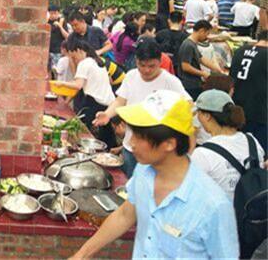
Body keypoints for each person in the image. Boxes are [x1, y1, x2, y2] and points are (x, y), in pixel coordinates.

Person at [71, 90, 239, 260]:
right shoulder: (144, 172)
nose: (131, 143)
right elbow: (125, 215)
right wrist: (81, 255)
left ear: (169, 144)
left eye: (139, 137)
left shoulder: (213, 206)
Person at [94, 41, 192, 177]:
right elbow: (120, 100)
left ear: (160, 61)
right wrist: (107, 114)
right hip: (130, 145)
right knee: (127, 183)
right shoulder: (131, 76)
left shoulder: (170, 81)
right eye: (142, 65)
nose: (146, 70)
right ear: (136, 61)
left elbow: (188, 106)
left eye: (152, 66)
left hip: (155, 150)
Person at [191, 89, 265, 200]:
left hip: (222, 215)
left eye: (199, 113)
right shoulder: (252, 141)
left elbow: (193, 193)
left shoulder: (203, 154)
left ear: (207, 116)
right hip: (253, 213)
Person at [57, 39, 117, 148]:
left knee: (87, 134)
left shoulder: (85, 63)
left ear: (79, 50)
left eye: (74, 57)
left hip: (94, 103)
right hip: (108, 104)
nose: (74, 61)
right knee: (106, 135)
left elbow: (78, 85)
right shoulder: (97, 61)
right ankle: (111, 151)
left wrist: (60, 84)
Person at [230, 31, 268, 151]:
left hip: (237, 106)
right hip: (259, 110)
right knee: (258, 151)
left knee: (239, 147)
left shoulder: (240, 50)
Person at [177, 20, 226, 100]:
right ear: (201, 31)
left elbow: (202, 59)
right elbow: (185, 66)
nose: (207, 37)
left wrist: (218, 70)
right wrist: (203, 73)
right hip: (189, 84)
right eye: (207, 34)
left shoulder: (193, 44)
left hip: (195, 83)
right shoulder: (188, 45)